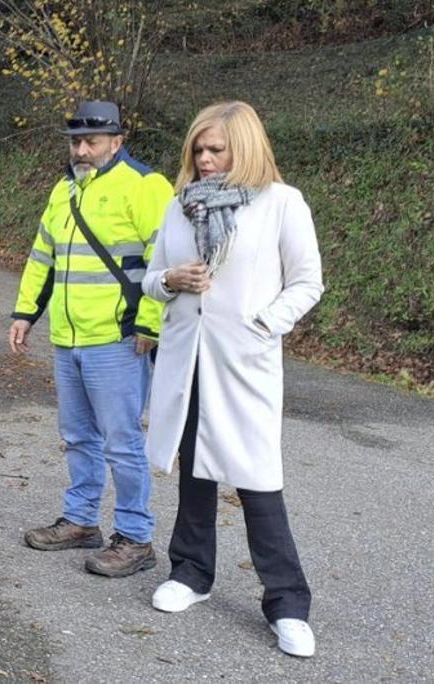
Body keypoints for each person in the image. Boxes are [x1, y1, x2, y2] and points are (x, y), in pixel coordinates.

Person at [141, 101, 324, 656]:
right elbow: (149, 279)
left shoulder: (280, 204)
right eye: (198, 149)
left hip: (243, 363)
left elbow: (308, 282)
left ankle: (288, 603)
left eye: (216, 148)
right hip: (185, 360)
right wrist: (170, 279)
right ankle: (191, 574)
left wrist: (263, 324)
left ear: (243, 147)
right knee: (194, 472)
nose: (205, 159)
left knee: (257, 480)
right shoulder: (178, 207)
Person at [9, 100, 174, 578]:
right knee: (78, 436)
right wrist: (25, 313)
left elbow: (163, 259)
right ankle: (81, 521)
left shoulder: (145, 186)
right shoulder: (64, 190)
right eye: (76, 141)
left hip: (118, 339)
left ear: (116, 142)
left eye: (92, 141)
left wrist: (149, 322)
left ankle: (136, 537)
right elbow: (43, 257)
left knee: (122, 443)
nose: (82, 149)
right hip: (68, 337)